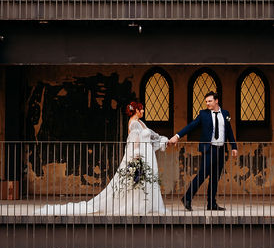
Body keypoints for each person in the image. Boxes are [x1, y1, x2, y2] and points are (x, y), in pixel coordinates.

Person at [35, 101, 169, 215]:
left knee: (143, 181)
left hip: (147, 155)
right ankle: (137, 205)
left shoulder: (140, 122)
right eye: (142, 109)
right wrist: (137, 157)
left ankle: (145, 204)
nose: (143, 111)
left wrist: (163, 140)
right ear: (137, 110)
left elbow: (151, 136)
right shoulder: (134, 123)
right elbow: (134, 141)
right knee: (134, 181)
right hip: (140, 155)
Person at [168, 91, 238, 211]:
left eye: (210, 101)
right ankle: (187, 198)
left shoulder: (226, 114)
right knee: (202, 174)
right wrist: (177, 136)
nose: (207, 103)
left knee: (215, 177)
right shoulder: (203, 114)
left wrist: (234, 146)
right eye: (206, 101)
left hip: (221, 150)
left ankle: (212, 204)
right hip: (209, 149)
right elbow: (192, 125)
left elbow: (229, 131)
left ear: (216, 101)